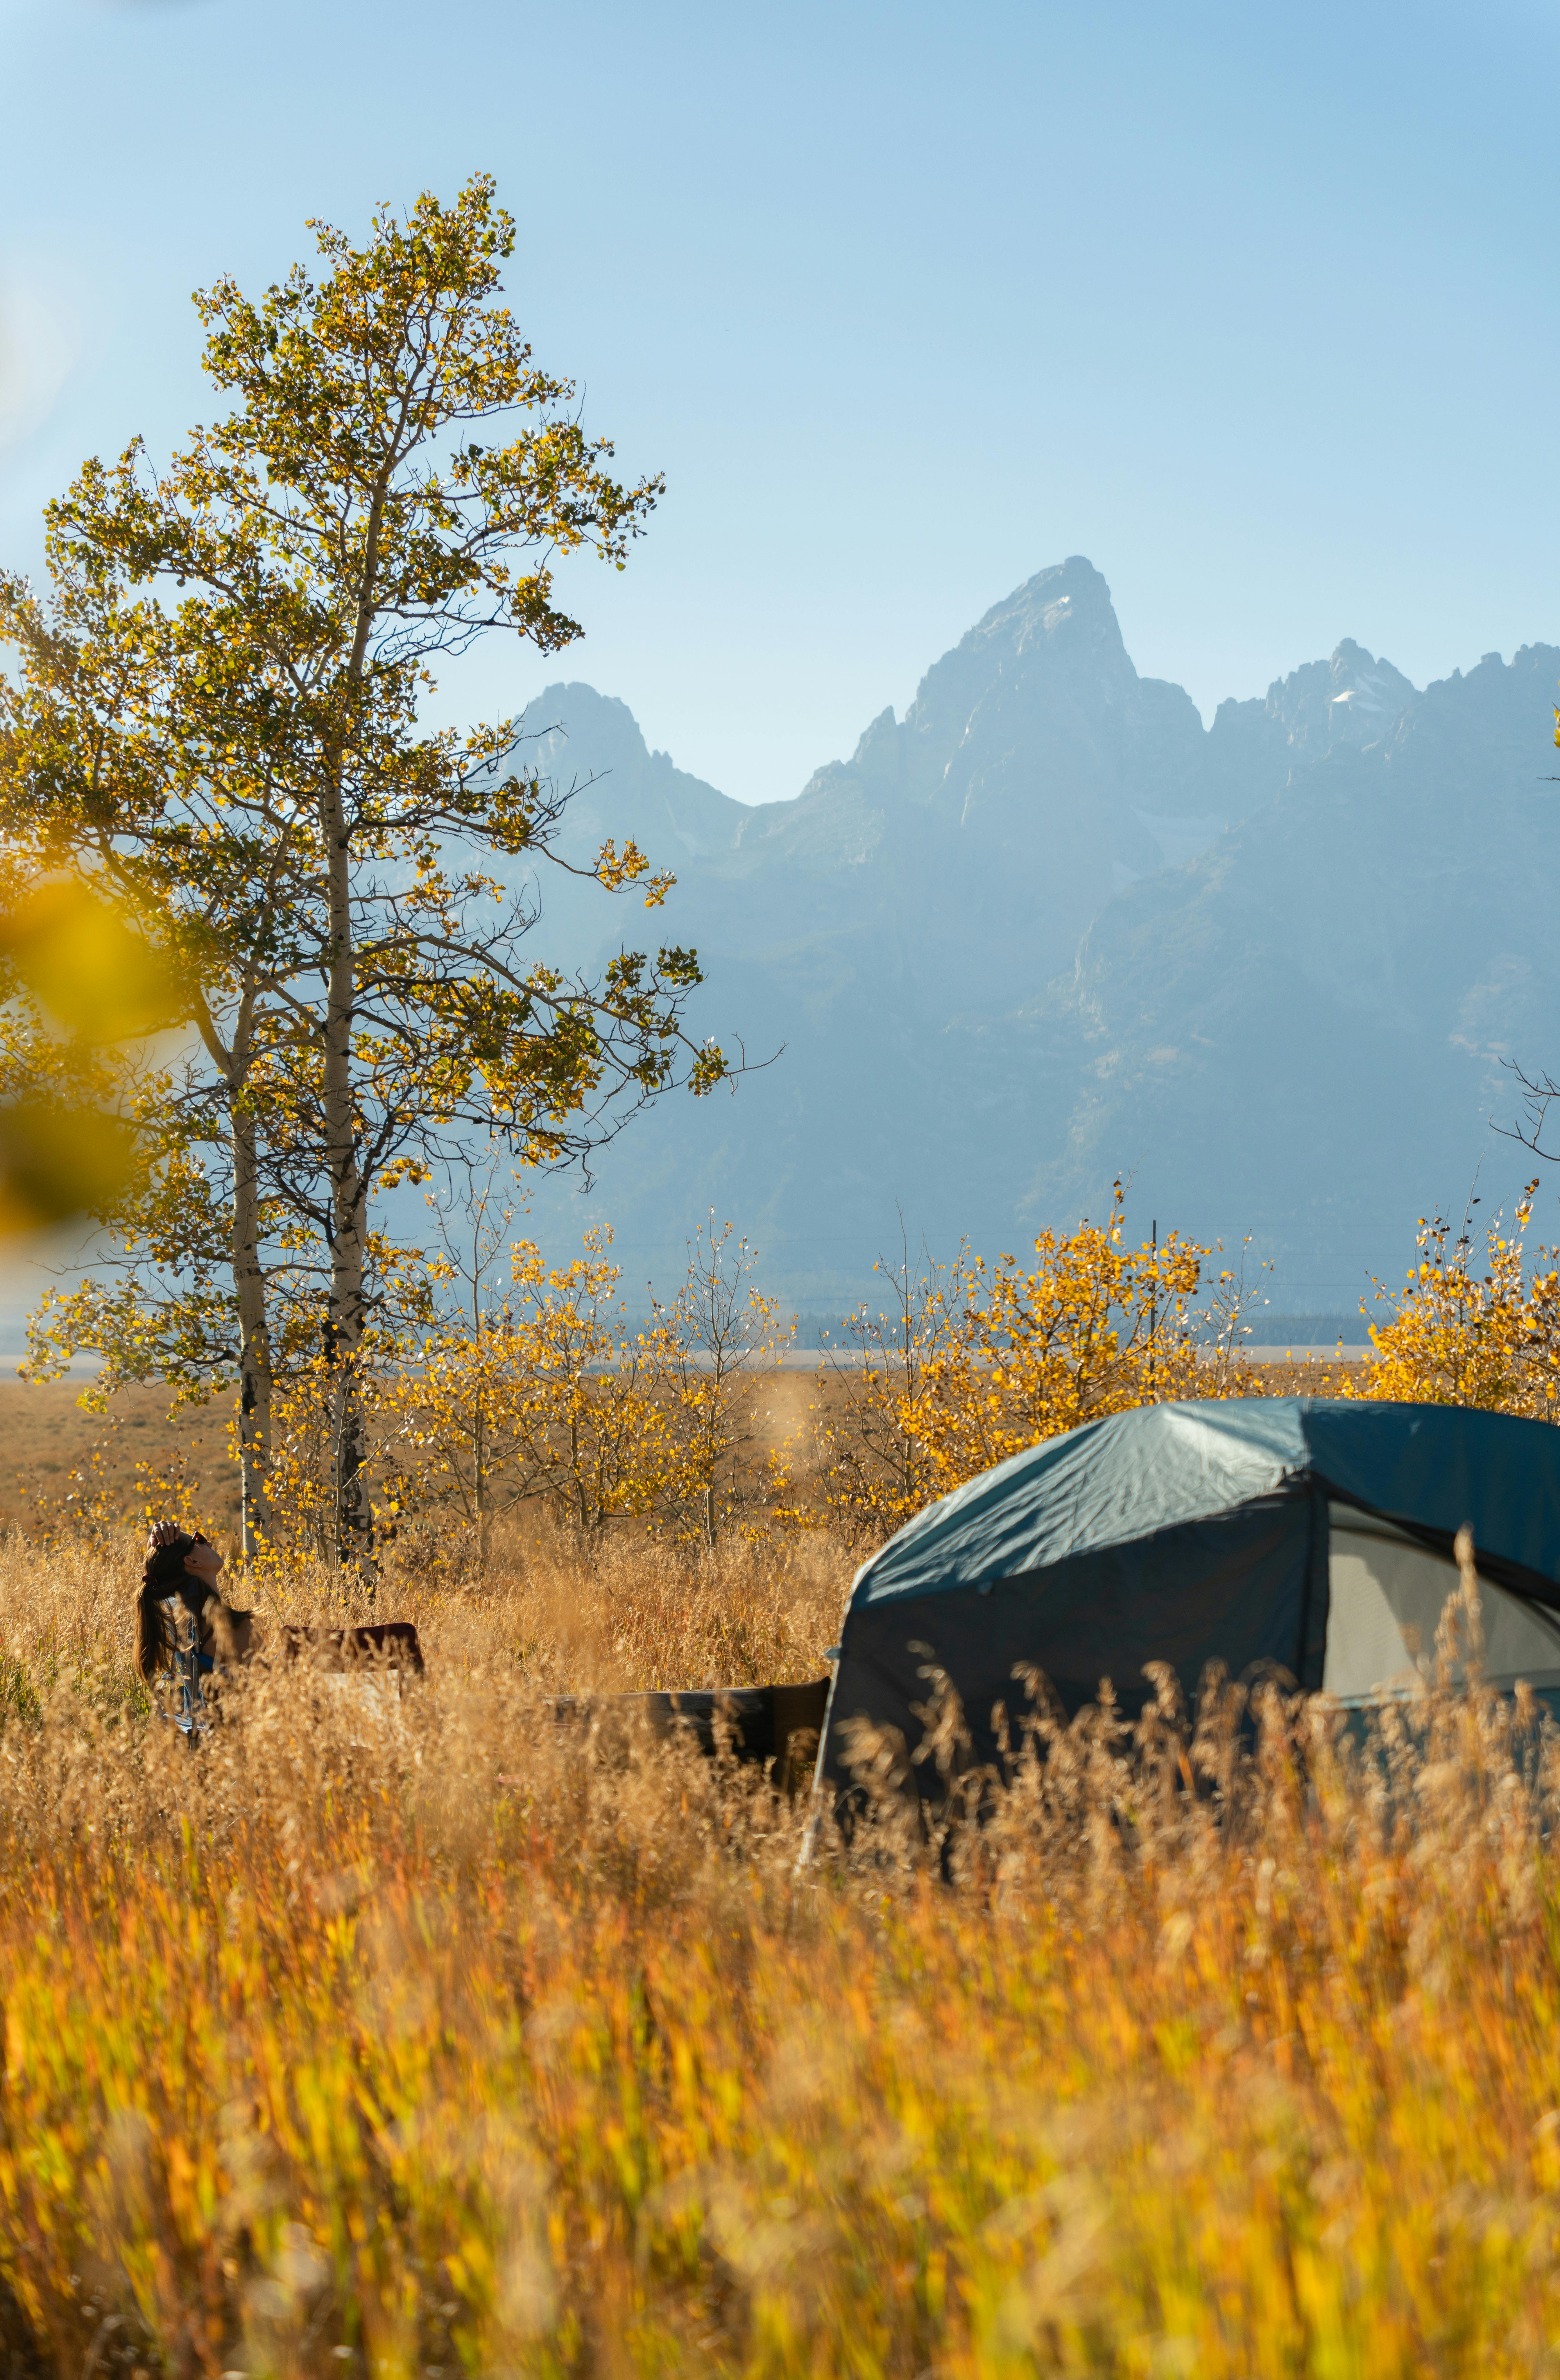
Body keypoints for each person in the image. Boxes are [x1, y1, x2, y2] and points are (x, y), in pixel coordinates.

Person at [135, 1522, 259, 1686]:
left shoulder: (180, 1622)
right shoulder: (233, 1627)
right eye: (200, 1540)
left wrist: (153, 1544)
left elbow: (161, 1574)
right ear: (192, 1561)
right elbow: (272, 1687)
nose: (209, 1543)